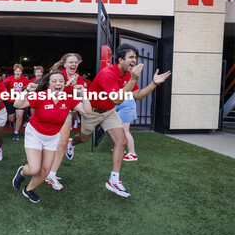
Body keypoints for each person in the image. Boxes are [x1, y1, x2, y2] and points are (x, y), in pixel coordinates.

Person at [66, 44, 171, 197]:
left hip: (109, 112)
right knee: (83, 138)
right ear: (120, 60)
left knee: (121, 141)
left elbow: (138, 95)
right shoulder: (107, 73)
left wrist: (154, 83)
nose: (135, 60)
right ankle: (71, 143)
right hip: (93, 111)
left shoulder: (128, 74)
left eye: (136, 57)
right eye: (131, 57)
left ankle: (113, 180)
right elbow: (117, 99)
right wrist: (133, 79)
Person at [11, 71, 91, 203]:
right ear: (48, 85)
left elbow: (87, 110)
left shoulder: (68, 98)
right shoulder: (40, 96)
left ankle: (28, 190)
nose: (58, 83)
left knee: (45, 171)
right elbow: (17, 104)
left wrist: (84, 94)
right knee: (34, 168)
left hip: (52, 137)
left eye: (61, 81)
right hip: (35, 134)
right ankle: (22, 172)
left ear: (64, 84)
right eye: (54, 81)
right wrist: (26, 90)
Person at [44, 53, 87, 191]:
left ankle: (51, 174)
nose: (73, 64)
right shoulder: (58, 74)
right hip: (50, 108)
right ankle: (41, 167)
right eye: (70, 62)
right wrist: (68, 84)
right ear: (65, 64)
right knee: (48, 140)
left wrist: (76, 88)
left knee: (62, 142)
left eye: (76, 62)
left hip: (66, 110)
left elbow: (79, 96)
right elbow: (49, 90)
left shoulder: (79, 78)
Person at [3, 64, 29, 140]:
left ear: (21, 72)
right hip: (10, 100)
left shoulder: (24, 79)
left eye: (19, 71)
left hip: (19, 100)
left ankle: (16, 133)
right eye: (16, 71)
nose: (18, 72)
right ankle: (11, 121)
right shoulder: (9, 78)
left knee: (19, 116)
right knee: (11, 118)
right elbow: (2, 84)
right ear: (14, 72)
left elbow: (28, 87)